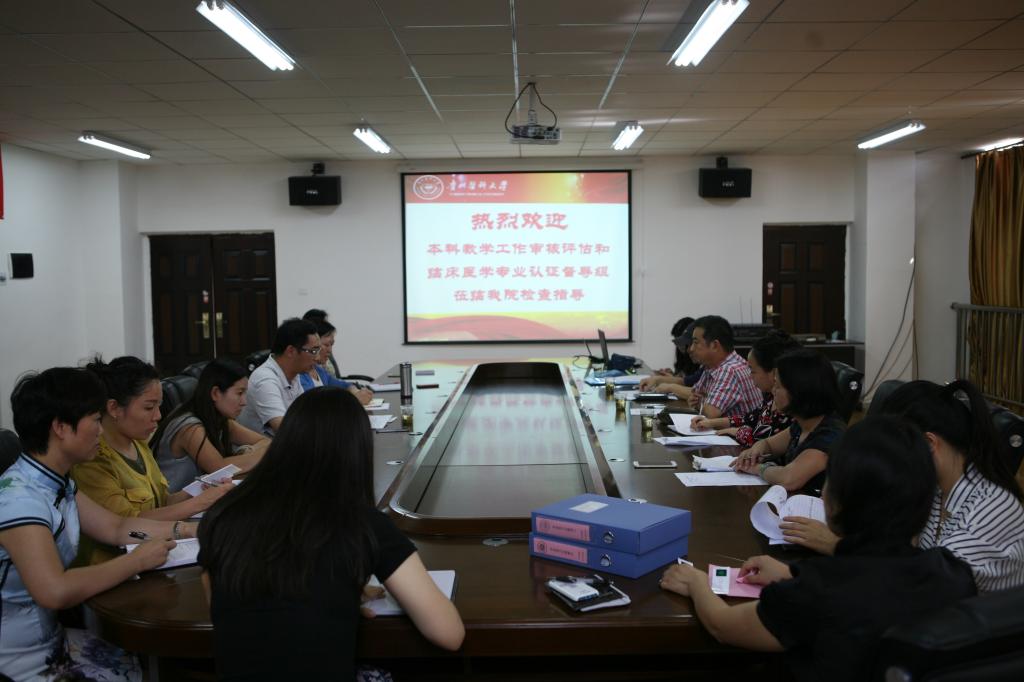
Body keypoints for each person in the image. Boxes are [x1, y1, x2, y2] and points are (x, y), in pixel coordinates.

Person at [659, 417, 977, 682]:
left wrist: (696, 583)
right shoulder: (953, 574)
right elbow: (880, 585)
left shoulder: (818, 590)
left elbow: (723, 625)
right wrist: (790, 573)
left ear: (841, 500)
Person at [198, 387, 465, 679]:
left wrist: (336, 595)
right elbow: (449, 634)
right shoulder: (362, 524)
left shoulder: (222, 516)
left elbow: (224, 610)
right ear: (357, 452)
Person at [1, 367, 194, 679]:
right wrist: (136, 561)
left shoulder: (56, 482)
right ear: (61, 427)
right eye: (95, 420)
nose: (101, 432)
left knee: (144, 664)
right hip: (19, 661)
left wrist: (190, 530)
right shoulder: (20, 500)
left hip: (51, 640)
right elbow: (54, 590)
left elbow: (116, 527)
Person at [785, 380, 1024, 593]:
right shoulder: (935, 489)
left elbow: (920, 587)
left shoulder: (993, 507)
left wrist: (835, 546)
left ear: (929, 443)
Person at [72, 356, 231, 565]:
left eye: (159, 406)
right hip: (112, 565)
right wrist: (198, 504)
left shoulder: (137, 443)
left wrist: (198, 491)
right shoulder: (92, 460)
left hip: (157, 554)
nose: (158, 416)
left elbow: (162, 502)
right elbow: (126, 525)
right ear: (114, 408)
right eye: (149, 408)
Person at [731, 349, 844, 494]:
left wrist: (757, 468)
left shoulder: (829, 435)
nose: (773, 391)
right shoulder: (802, 424)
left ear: (799, 391)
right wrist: (754, 451)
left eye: (778, 386)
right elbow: (769, 444)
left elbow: (789, 479)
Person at [152, 358, 270, 493]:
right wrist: (257, 453)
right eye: (239, 393)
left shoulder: (221, 420)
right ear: (215, 393)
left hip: (202, 498)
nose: (244, 402)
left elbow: (266, 441)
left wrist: (249, 452)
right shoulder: (190, 428)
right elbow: (219, 469)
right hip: (176, 502)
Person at [691, 329, 800, 447]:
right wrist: (711, 423)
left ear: (773, 373)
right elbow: (750, 418)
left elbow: (767, 442)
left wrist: (738, 432)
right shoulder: (770, 397)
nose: (749, 375)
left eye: (752, 370)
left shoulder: (791, 405)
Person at [644, 315, 761, 418]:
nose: (691, 348)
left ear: (714, 345)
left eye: (696, 343)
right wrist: (697, 399)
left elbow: (710, 412)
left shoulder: (729, 369)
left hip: (737, 435)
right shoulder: (711, 366)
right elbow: (694, 394)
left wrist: (698, 401)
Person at [237, 317, 319, 435]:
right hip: (260, 445)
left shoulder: (293, 375)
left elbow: (304, 416)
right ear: (291, 351)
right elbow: (283, 428)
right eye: (313, 351)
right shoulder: (265, 379)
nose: (317, 358)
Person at [299, 317, 374, 405]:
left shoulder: (319, 371)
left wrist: (356, 392)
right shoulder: (300, 375)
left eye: (331, 345)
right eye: (326, 345)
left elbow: (344, 385)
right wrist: (353, 399)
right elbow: (315, 404)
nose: (330, 350)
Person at [650, 317, 702, 387]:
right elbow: (686, 380)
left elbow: (693, 386)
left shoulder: (701, 363)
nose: (678, 345)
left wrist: (672, 382)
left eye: (681, 342)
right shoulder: (682, 355)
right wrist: (673, 376)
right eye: (676, 341)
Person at [303, 308, 342, 379]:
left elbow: (333, 381)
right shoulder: (302, 369)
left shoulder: (321, 366)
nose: (330, 350)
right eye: (326, 345)